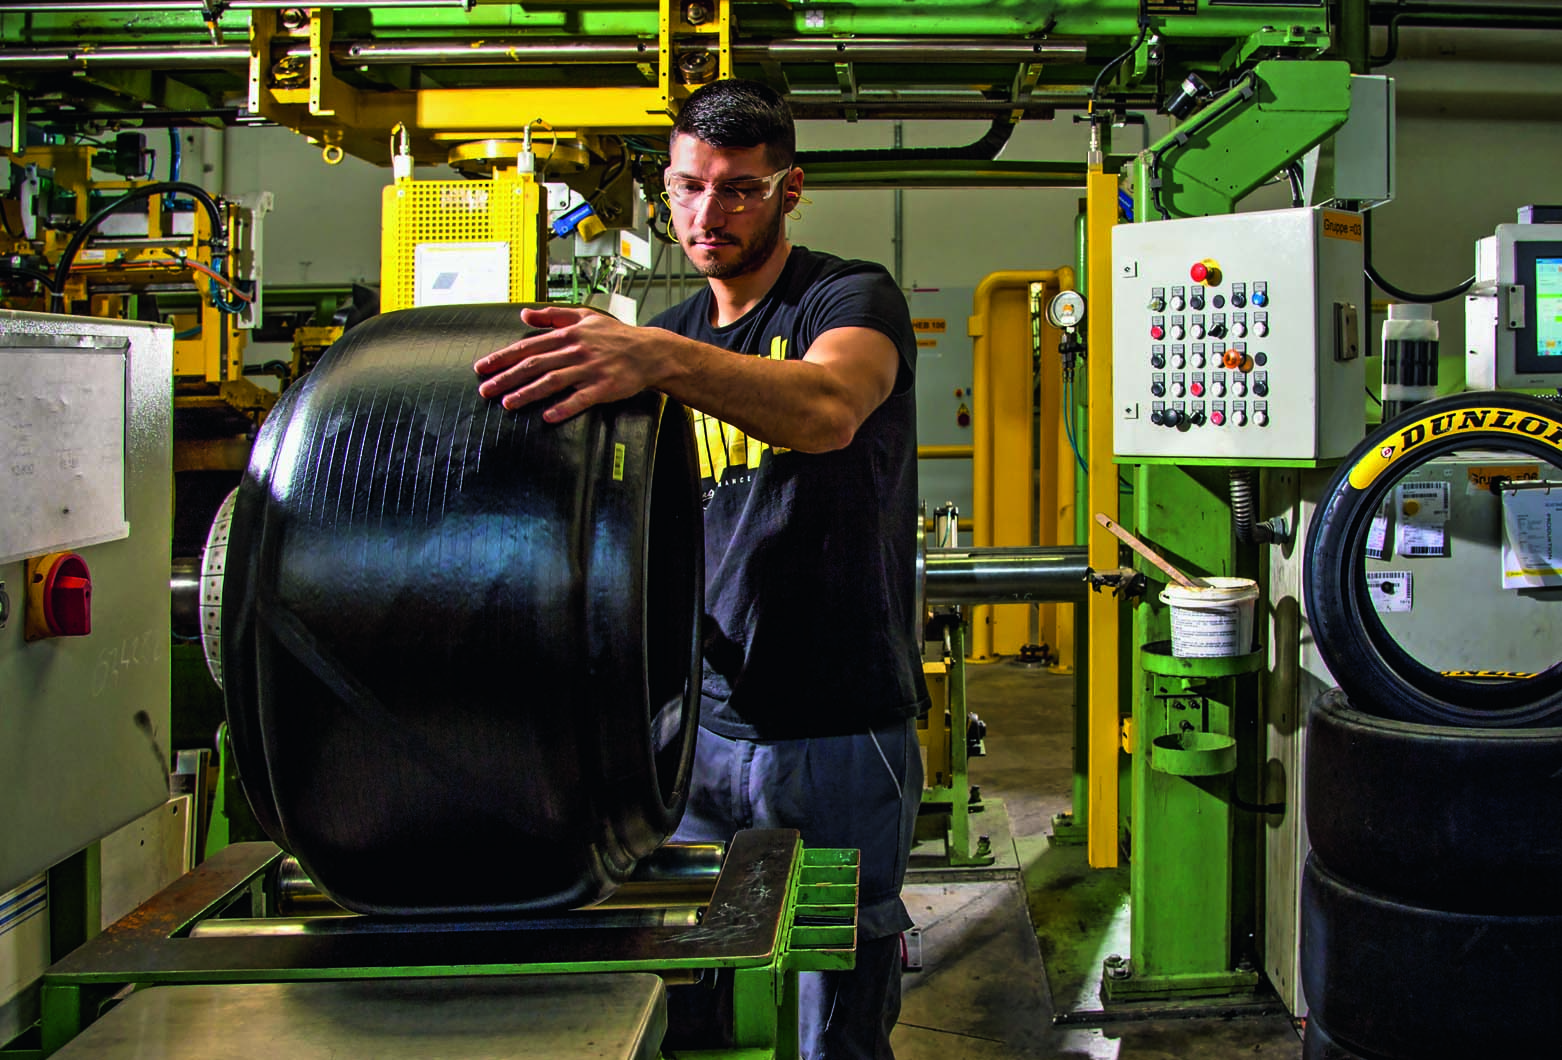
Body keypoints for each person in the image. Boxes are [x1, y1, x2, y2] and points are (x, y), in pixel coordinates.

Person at [474, 78, 928, 1060]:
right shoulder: (663, 336)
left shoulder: (844, 298)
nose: (705, 214)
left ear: (788, 189)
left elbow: (826, 408)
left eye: (737, 190)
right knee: (695, 998)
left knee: (833, 1004)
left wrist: (657, 360)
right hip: (700, 735)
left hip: (841, 726)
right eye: (686, 188)